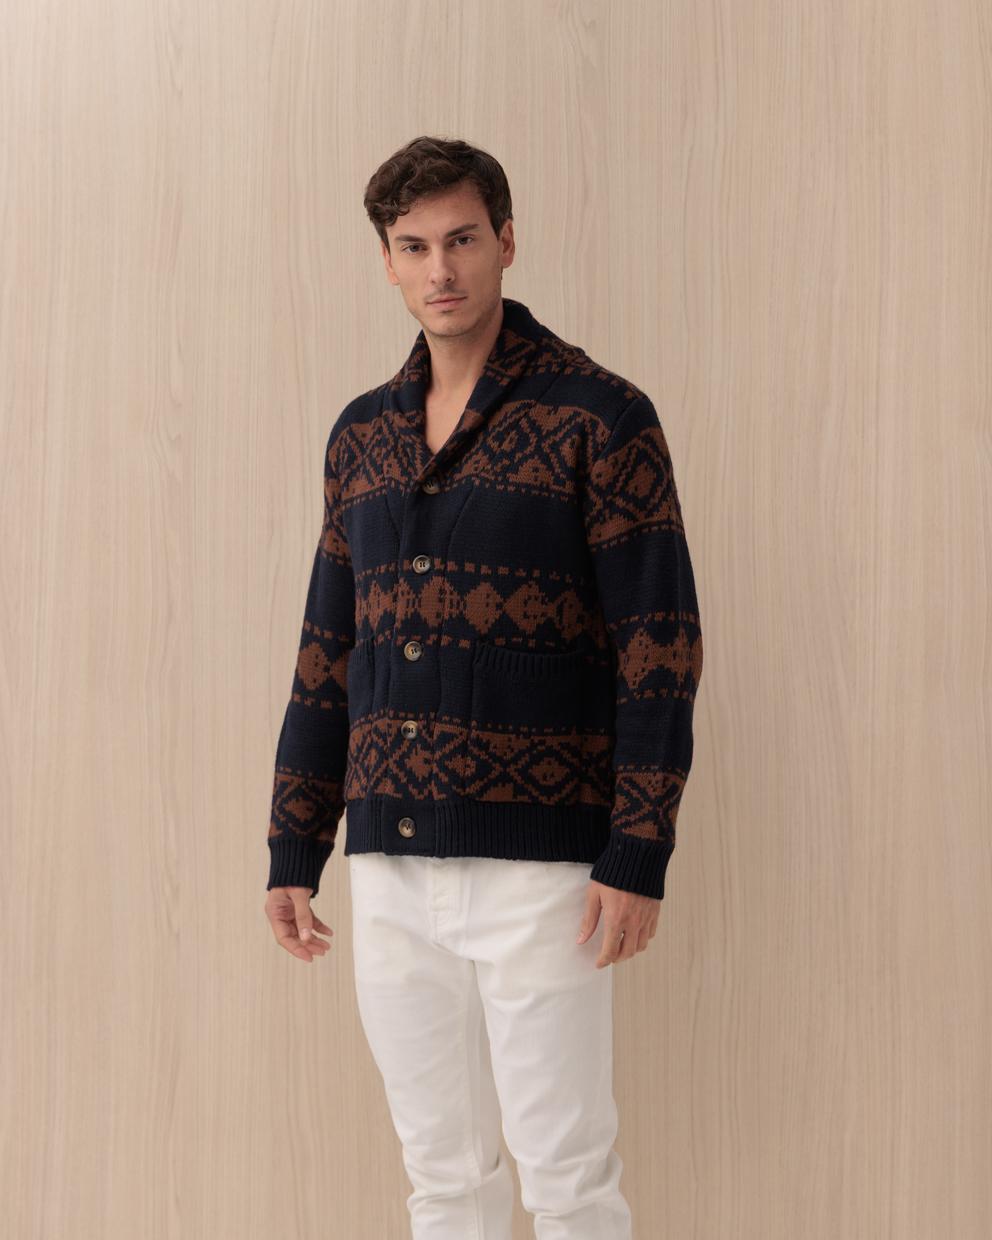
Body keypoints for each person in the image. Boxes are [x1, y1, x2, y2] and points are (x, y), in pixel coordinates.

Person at [263, 135, 704, 1240]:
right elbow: (328, 648)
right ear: (387, 262)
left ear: (506, 240)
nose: (440, 269)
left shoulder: (600, 417)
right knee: (441, 1176)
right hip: (390, 867)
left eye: (461, 239)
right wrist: (293, 844)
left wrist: (637, 851)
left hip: (542, 869)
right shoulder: (361, 436)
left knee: (566, 1175)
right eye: (413, 247)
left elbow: (659, 646)